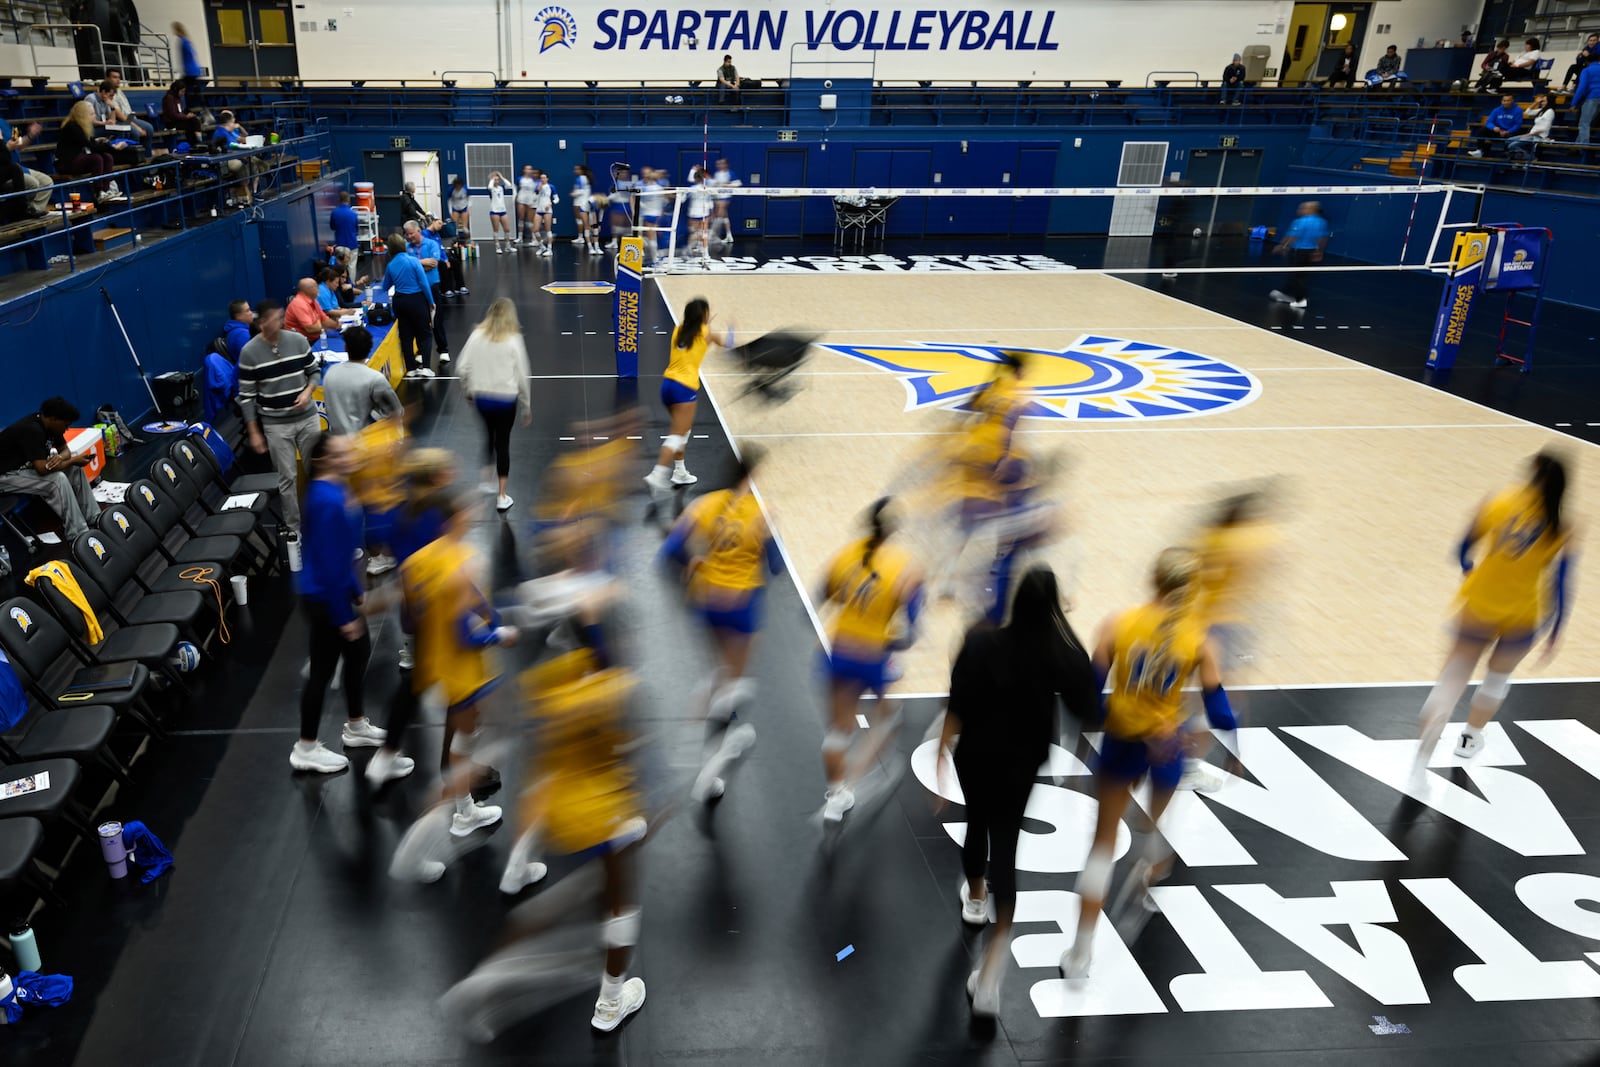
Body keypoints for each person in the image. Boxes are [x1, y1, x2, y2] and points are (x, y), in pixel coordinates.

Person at [1059, 548, 1241, 981]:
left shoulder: (1118, 624)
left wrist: (1083, 743)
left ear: (1152, 580)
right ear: (1190, 589)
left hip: (1122, 744)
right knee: (1156, 827)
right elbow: (1218, 709)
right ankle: (1148, 882)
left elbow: (1088, 695)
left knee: (1101, 848)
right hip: (1166, 748)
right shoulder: (1199, 640)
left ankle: (1080, 953)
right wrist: (1233, 748)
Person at [935, 566, 1096, 1016]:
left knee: (976, 826)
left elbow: (958, 700)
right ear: (1054, 606)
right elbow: (1089, 706)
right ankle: (990, 977)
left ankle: (976, 898)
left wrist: (942, 752)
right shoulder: (1061, 652)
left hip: (976, 757)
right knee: (1006, 849)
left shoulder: (982, 641)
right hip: (1020, 765)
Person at [1414, 454, 1575, 773]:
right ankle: (1470, 739)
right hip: (1524, 613)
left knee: (1454, 674)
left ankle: (1431, 733)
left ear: (1532, 473)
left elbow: (1462, 547)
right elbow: (1561, 583)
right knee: (1497, 678)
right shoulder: (1564, 524)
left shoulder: (1498, 501)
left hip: (1479, 604)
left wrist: (1467, 567)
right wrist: (1556, 629)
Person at [661, 448, 777, 803]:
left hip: (707, 601)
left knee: (719, 673)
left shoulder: (705, 504)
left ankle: (697, 738)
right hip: (741, 606)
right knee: (734, 684)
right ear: (751, 477)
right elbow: (775, 566)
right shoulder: (761, 514)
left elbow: (671, 549)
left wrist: (695, 560)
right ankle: (708, 765)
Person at [400, 487, 514, 835]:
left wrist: (492, 617)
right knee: (465, 741)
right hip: (463, 670)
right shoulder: (460, 563)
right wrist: (500, 635)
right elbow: (465, 637)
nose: (472, 512)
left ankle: (457, 796)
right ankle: (460, 811)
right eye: (465, 510)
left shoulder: (421, 560)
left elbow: (410, 616)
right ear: (450, 521)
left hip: (439, 663)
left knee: (467, 735)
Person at [291, 432, 401, 774]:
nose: (350, 455)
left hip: (336, 591)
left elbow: (341, 552)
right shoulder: (328, 500)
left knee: (357, 654)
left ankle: (355, 726)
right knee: (322, 673)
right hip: (323, 597)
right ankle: (305, 748)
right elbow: (327, 562)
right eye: (341, 453)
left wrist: (355, 590)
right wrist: (343, 615)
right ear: (323, 461)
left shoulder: (339, 491)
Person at [817, 498, 924, 823]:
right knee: (888, 719)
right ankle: (864, 776)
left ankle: (837, 795)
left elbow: (826, 596)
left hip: (839, 651)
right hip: (872, 657)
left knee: (838, 730)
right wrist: (889, 641)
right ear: (893, 530)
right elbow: (910, 632)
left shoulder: (845, 555)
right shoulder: (906, 568)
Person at [238, 298, 320, 534]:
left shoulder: (297, 340)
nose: (280, 322)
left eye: (281, 317)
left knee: (317, 471)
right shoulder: (249, 353)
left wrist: (307, 391)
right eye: (275, 319)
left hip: (307, 418)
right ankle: (295, 531)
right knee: (287, 480)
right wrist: (254, 432)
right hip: (276, 425)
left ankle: (320, 522)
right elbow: (247, 396)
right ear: (261, 322)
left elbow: (314, 371)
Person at [456, 298, 532, 513]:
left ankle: (485, 481)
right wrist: (526, 405)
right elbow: (523, 376)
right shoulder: (514, 340)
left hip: (482, 399)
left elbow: (462, 368)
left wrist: (468, 393)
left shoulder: (476, 335)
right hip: (506, 400)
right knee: (503, 443)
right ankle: (502, 496)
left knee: (488, 435)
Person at [0, 397, 101, 542]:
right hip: (4, 476)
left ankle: (94, 517)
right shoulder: (32, 430)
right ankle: (77, 533)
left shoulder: (51, 426)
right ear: (54, 419)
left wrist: (61, 458)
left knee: (75, 470)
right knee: (57, 479)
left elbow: (65, 450)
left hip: (20, 470)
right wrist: (72, 460)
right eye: (66, 425)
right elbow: (42, 469)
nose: (66, 429)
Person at [321, 325, 402, 436]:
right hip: (365, 444)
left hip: (337, 442)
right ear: (369, 349)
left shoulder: (330, 373)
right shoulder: (374, 378)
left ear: (345, 348)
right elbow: (396, 412)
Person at [379, 232, 436, 379]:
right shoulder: (413, 261)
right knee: (424, 334)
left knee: (406, 335)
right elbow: (423, 283)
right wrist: (431, 301)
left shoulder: (391, 265)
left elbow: (385, 287)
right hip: (416, 300)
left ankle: (410, 368)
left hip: (399, 302)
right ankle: (426, 367)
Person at [1268, 200, 1328, 310]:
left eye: (1302, 208)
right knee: (1301, 275)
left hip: (1299, 252)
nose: (1299, 210)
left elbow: (1292, 236)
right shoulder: (1322, 222)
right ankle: (1286, 293)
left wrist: (1282, 246)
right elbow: (1323, 238)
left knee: (1297, 276)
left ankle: (1300, 300)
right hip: (1311, 251)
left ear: (1310, 209)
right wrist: (1319, 251)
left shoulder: (1300, 222)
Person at [403, 220, 449, 362]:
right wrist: (422, 263)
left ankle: (443, 350)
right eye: (407, 234)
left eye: (411, 233)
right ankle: (422, 352)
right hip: (416, 290)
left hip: (432, 286)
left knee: (437, 319)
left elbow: (433, 264)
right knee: (420, 321)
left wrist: (415, 265)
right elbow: (407, 267)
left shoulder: (431, 244)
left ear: (418, 231)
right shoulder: (406, 247)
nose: (409, 237)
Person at [56, 101, 119, 202]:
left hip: (77, 158)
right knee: (96, 158)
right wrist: (111, 146)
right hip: (66, 163)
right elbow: (90, 146)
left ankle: (106, 190)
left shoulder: (82, 126)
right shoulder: (72, 126)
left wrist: (100, 142)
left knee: (107, 157)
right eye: (91, 114)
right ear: (83, 115)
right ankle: (98, 192)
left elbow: (90, 142)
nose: (94, 116)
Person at [2, 117, 51, 217]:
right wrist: (7, 148)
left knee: (47, 182)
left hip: (17, 167)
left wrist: (30, 135)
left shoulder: (3, 122)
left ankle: (32, 210)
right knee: (33, 183)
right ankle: (19, 212)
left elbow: (18, 144)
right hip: (5, 171)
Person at [91, 80, 146, 149]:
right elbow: (90, 121)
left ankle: (133, 153)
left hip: (103, 126)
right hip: (94, 128)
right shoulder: (91, 99)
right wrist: (104, 123)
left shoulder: (106, 100)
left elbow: (113, 121)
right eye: (110, 95)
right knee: (121, 132)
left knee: (130, 132)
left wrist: (112, 107)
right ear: (104, 92)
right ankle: (119, 153)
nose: (111, 98)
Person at [285, 277, 341, 342]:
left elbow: (324, 319)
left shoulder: (313, 300)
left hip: (316, 338)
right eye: (316, 287)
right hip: (303, 343)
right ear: (308, 289)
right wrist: (323, 326)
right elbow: (311, 329)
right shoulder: (299, 304)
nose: (318, 289)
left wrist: (336, 325)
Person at [104, 71, 154, 142]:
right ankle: (135, 151)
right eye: (115, 77)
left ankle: (145, 152)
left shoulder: (120, 91)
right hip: (120, 121)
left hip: (129, 119)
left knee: (149, 128)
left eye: (119, 78)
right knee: (136, 132)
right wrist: (136, 127)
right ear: (107, 79)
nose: (118, 80)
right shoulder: (109, 93)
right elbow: (119, 114)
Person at [1507, 93, 1557, 160]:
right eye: (1542, 101)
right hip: (1531, 135)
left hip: (1538, 136)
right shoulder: (1541, 111)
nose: (1542, 103)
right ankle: (1523, 155)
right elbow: (1528, 112)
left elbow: (1544, 129)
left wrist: (1529, 134)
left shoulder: (1550, 112)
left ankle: (1531, 158)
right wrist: (1536, 102)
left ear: (1549, 102)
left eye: (1544, 101)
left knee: (1512, 146)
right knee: (1508, 140)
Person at [172, 22, 205, 104]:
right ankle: (199, 101)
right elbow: (192, 53)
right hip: (194, 69)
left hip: (190, 70)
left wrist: (184, 68)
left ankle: (190, 105)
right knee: (191, 87)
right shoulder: (186, 40)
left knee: (182, 87)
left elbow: (188, 55)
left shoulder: (183, 41)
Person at [709, 158, 739, 246]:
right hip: (717, 197)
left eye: (721, 164)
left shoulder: (730, 173)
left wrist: (726, 185)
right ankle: (729, 235)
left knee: (719, 214)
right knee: (724, 216)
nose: (718, 166)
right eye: (717, 164)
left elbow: (738, 183)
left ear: (726, 164)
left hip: (726, 196)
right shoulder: (716, 174)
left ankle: (713, 235)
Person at [330, 190, 360, 275]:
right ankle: (351, 285)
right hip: (352, 244)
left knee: (340, 266)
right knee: (352, 266)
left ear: (339, 200)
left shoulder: (334, 213)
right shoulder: (353, 214)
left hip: (340, 243)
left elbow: (332, 227)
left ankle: (340, 285)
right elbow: (356, 229)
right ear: (348, 200)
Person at [571, 164, 599, 254]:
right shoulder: (585, 178)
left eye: (577, 169)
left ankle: (582, 238)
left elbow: (581, 191)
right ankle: (586, 240)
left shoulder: (581, 178)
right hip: (583, 202)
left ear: (582, 170)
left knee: (585, 223)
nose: (575, 171)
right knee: (587, 224)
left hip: (581, 202)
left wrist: (573, 194)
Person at [1571, 56, 1600, 145]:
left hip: (1593, 97)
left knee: (1584, 123)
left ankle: (1584, 146)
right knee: (1588, 122)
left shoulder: (1587, 70)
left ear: (1587, 62)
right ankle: (1577, 145)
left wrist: (1574, 103)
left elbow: (1582, 87)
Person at [485, 172, 512, 253]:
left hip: (503, 211)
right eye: (495, 180)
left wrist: (501, 176)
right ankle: (497, 247)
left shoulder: (501, 188)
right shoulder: (491, 189)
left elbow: (509, 185)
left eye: (497, 179)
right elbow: (490, 186)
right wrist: (492, 179)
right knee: (496, 230)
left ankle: (508, 246)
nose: (497, 181)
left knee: (507, 229)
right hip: (494, 211)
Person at [531, 169, 555, 256]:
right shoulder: (537, 186)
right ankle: (542, 247)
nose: (542, 179)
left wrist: (551, 203)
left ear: (547, 179)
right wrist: (538, 190)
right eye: (541, 178)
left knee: (548, 230)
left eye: (544, 178)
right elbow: (533, 199)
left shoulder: (551, 186)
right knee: (535, 230)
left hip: (547, 211)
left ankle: (549, 249)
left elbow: (557, 199)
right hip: (539, 210)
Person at [515, 164, 538, 247]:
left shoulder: (534, 180)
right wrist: (515, 197)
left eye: (530, 169)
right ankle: (520, 237)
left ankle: (534, 238)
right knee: (521, 218)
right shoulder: (520, 179)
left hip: (530, 201)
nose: (529, 171)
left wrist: (535, 200)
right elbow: (515, 188)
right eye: (527, 169)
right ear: (524, 170)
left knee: (530, 220)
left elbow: (537, 191)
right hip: (521, 199)